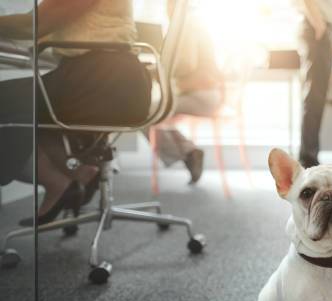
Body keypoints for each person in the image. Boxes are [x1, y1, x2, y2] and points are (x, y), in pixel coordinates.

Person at [0, 0, 151, 225]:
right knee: (29, 107)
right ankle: (78, 174)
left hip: (101, 80)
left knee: (10, 102)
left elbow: (33, 25)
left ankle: (57, 180)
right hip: (114, 81)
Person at [152, 0, 224, 185]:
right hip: (205, 93)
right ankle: (188, 151)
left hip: (202, 94)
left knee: (147, 112)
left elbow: (186, 63)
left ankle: (188, 152)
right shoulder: (193, 22)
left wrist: (160, 69)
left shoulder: (187, 24)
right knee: (152, 111)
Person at [296, 0, 332, 168]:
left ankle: (309, 158)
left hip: (321, 28)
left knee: (316, 99)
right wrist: (320, 27)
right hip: (316, 27)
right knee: (314, 98)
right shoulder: (318, 28)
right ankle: (308, 159)